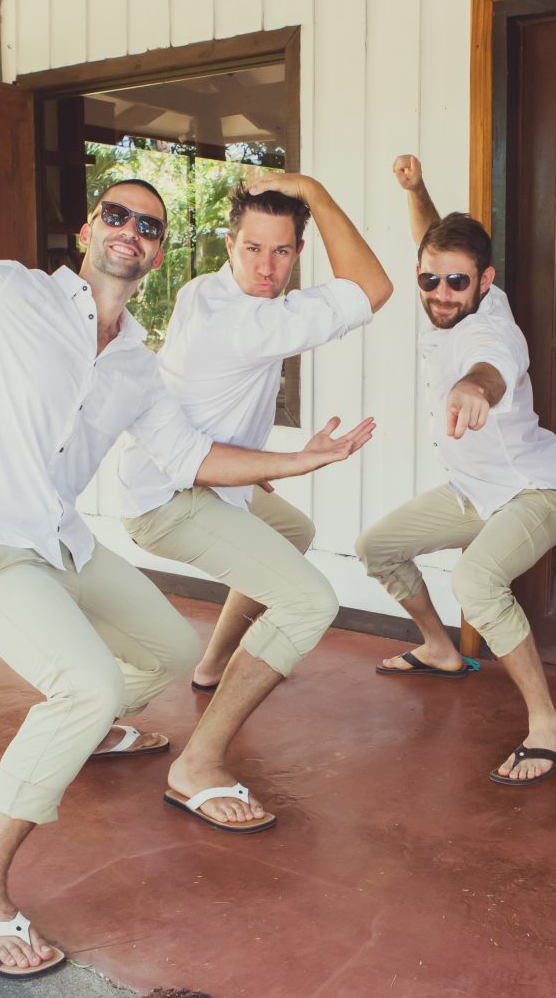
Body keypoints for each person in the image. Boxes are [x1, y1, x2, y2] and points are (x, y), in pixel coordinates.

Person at [0, 49, 374, 977]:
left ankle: (90, 718)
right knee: (90, 684)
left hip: (61, 545)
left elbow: (191, 457)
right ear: (86, 229)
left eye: (149, 225)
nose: (131, 232)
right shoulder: (8, 292)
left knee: (171, 654)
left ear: (158, 250)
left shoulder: (138, 363)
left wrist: (301, 458)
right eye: (117, 214)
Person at [114, 175, 393, 832]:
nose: (266, 267)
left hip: (193, 472)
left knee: (290, 530)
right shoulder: (249, 324)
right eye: (253, 249)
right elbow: (374, 287)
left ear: (297, 252)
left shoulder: (202, 289)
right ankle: (198, 762)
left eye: (282, 252)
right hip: (169, 497)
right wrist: (317, 192)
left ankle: (214, 664)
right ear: (230, 244)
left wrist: (243, 464)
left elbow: (197, 402)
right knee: (310, 600)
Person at [356, 154, 556, 786]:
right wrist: (415, 189)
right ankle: (439, 649)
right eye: (430, 282)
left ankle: (547, 727)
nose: (442, 295)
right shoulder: (449, 278)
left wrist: (476, 389)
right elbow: (432, 241)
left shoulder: (494, 331)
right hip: (473, 492)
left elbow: (492, 365)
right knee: (377, 548)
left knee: (477, 585)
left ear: (485, 283)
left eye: (457, 284)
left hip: (536, 493)